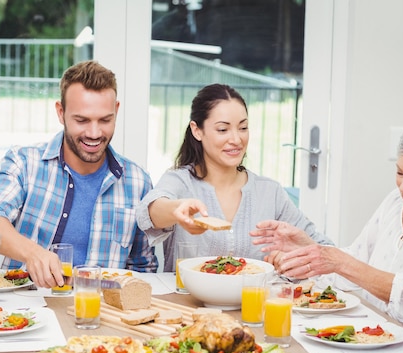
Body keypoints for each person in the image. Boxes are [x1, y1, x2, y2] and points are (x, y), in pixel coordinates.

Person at [252, 109, 403, 323]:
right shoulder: (396, 203)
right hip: (370, 335)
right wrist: (307, 250)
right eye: (399, 173)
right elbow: (356, 261)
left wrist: (339, 262)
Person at [0, 60, 158, 287]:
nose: (94, 133)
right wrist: (32, 253)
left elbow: (143, 268)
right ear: (61, 112)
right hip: (28, 310)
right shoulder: (25, 163)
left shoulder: (137, 182)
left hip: (99, 313)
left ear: (116, 111)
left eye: (105, 120)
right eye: (82, 120)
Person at [135, 83, 332, 272]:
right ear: (197, 130)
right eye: (223, 129)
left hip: (252, 306)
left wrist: (292, 256)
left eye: (243, 128)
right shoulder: (179, 181)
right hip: (187, 306)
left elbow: (323, 249)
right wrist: (177, 209)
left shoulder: (269, 192)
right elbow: (149, 212)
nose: (236, 139)